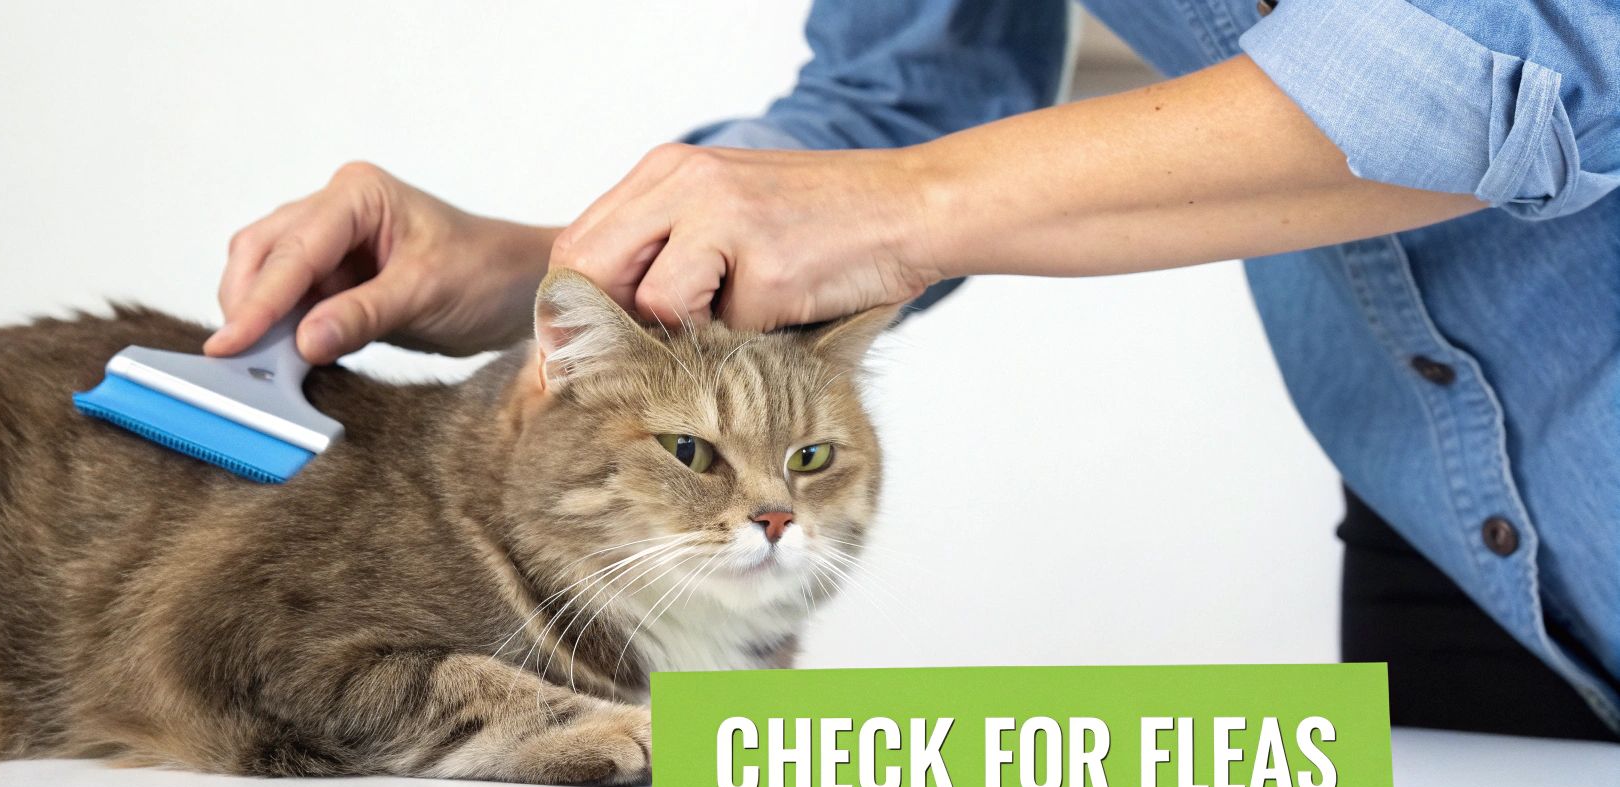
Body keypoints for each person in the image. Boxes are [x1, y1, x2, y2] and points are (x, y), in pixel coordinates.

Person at [205, 0, 1620, 741]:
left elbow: (1504, 50)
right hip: (1453, 524)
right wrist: (542, 272)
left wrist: (902, 204)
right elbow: (911, 96)